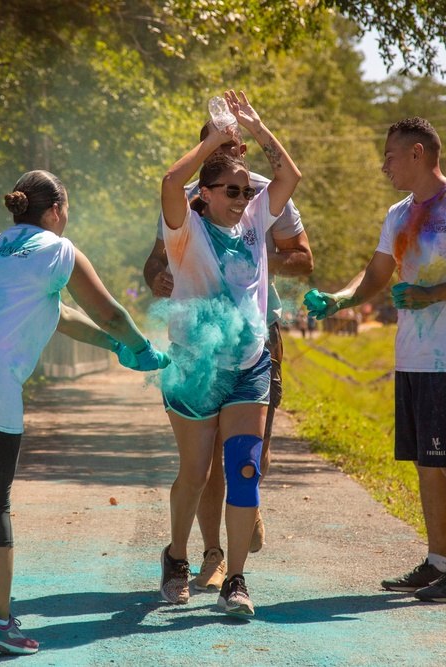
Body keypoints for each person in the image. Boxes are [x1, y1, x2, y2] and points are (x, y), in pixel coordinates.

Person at [0, 169, 168, 655]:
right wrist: (140, 344)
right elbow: (108, 309)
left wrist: (114, 345)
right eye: (65, 210)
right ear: (54, 211)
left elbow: (63, 315)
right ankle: (0, 622)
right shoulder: (57, 250)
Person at [304, 117, 446, 602]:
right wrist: (339, 300)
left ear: (418, 153)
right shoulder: (397, 214)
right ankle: (438, 562)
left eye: (390, 155)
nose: (384, 164)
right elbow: (375, 274)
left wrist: (431, 294)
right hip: (412, 357)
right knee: (426, 463)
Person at [144, 119, 312, 593]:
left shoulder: (257, 219)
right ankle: (177, 557)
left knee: (243, 468)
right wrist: (213, 143)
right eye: (232, 192)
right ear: (208, 192)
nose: (243, 199)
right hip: (196, 367)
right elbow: (171, 183)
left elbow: (289, 176)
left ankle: (235, 579)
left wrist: (258, 129)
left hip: (249, 366)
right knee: (196, 474)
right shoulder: (184, 228)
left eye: (245, 191)